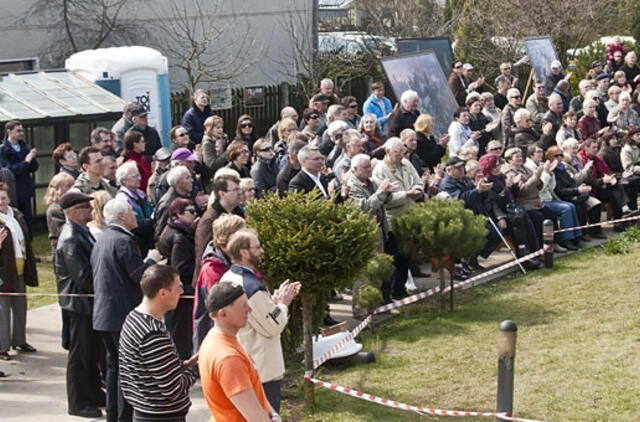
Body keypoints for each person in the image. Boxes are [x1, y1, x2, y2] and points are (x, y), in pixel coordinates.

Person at [91, 198, 161, 422]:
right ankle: (122, 418)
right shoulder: (122, 241)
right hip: (120, 316)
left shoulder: (103, 239)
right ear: (121, 216)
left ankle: (114, 416)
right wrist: (151, 261)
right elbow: (140, 278)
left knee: (114, 370)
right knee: (126, 372)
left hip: (105, 315)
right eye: (131, 211)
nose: (135, 215)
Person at [218, 229, 300, 413]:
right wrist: (284, 304)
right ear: (244, 252)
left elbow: (261, 315)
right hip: (263, 370)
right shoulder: (250, 286)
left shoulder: (229, 277)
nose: (262, 250)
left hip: (248, 364)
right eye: (258, 247)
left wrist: (275, 302)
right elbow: (273, 325)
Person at [119, 265, 199, 422]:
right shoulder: (153, 334)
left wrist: (185, 365)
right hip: (160, 416)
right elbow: (173, 389)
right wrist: (198, 368)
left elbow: (153, 370)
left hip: (145, 412)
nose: (181, 292)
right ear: (163, 293)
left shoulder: (133, 317)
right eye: (178, 287)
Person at [198, 282, 280, 422]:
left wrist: (274, 414)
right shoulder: (228, 358)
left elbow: (254, 389)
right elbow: (256, 418)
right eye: (243, 306)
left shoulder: (216, 337)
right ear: (222, 314)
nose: (249, 309)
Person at [55, 191, 104, 418]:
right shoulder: (70, 238)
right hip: (78, 307)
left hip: (87, 305)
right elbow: (83, 277)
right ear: (74, 212)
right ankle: (78, 402)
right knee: (80, 356)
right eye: (86, 206)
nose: (91, 209)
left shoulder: (81, 232)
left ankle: (93, 393)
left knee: (91, 353)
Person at [372, 138, 424, 302]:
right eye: (397, 152)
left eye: (403, 151)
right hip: (393, 219)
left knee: (406, 257)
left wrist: (418, 189)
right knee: (393, 257)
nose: (401, 155)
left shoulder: (407, 164)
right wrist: (406, 194)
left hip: (410, 215)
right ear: (387, 152)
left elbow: (418, 180)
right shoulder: (380, 170)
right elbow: (384, 198)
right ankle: (388, 293)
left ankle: (399, 290)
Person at [193, 214, 246, 352]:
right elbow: (224, 303)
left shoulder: (230, 260)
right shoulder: (212, 268)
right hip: (215, 339)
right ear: (228, 238)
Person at [0, 182, 38, 362]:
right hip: (3, 270)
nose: (2, 202)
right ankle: (2, 346)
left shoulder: (16, 215)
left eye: (4, 198)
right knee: (3, 309)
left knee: (20, 306)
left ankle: (19, 340)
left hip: (20, 266)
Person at [158, 198, 198, 361]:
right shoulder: (179, 237)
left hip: (176, 290)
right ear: (178, 214)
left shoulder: (176, 231)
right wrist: (198, 267)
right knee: (180, 332)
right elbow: (180, 267)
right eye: (191, 212)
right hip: (181, 291)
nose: (195, 215)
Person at [192, 173, 245, 285]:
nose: (240, 193)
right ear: (222, 193)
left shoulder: (235, 212)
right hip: (213, 281)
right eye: (235, 190)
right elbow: (205, 255)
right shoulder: (210, 220)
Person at [0, 120, 38, 237]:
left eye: (22, 130)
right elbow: (9, 171)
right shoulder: (3, 150)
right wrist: (26, 161)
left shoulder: (24, 147)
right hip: (12, 189)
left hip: (25, 189)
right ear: (9, 131)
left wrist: (31, 159)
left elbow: (34, 167)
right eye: (18, 131)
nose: (21, 133)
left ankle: (29, 247)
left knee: (27, 220)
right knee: (15, 219)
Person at [115, 162, 155, 255]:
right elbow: (134, 225)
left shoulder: (141, 194)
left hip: (148, 237)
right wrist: (152, 221)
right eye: (134, 176)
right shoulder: (122, 199)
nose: (139, 178)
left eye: (138, 175)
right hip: (137, 241)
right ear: (123, 180)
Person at [154, 166, 194, 241]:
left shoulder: (184, 195)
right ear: (178, 183)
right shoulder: (168, 203)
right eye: (187, 178)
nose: (191, 180)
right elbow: (159, 232)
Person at [45, 172, 75, 255]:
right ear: (57, 189)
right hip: (61, 249)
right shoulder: (55, 209)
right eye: (68, 186)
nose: (72, 189)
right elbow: (64, 230)